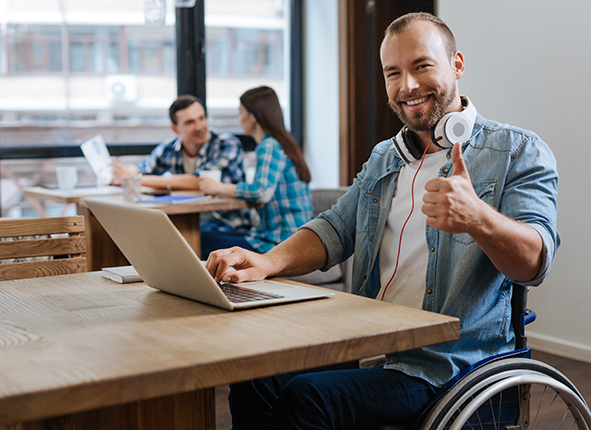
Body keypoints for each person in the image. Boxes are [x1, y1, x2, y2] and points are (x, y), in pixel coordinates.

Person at [206, 12, 561, 430]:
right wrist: (267, 262)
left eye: (421, 66)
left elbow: (535, 263)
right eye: (393, 73)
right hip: (366, 347)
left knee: (308, 400)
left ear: (457, 64)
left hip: (446, 368)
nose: (407, 86)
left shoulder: (517, 151)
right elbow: (336, 228)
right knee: (254, 377)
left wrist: (478, 218)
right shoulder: (385, 157)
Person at [112, 95, 252, 250]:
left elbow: (200, 181)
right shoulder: (169, 148)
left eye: (201, 118)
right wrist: (124, 174)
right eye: (190, 122)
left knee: (174, 241)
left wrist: (136, 179)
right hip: (187, 222)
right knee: (142, 234)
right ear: (175, 129)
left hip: (226, 224)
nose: (199, 126)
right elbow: (142, 166)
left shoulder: (226, 143)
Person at [198, 86, 313, 256]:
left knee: (200, 239)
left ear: (252, 116)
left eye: (240, 113)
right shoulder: (282, 143)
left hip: (279, 243)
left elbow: (261, 192)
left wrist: (218, 187)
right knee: (207, 230)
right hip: (286, 237)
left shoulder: (269, 146)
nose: (239, 119)